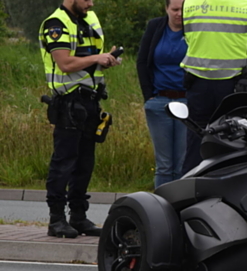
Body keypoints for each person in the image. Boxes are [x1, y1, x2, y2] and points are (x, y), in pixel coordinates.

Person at [39, 0, 121, 238]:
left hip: (90, 101)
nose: (91, 3)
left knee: (85, 163)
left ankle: (78, 217)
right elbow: (65, 63)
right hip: (68, 102)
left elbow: (89, 61)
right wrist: (97, 58)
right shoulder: (56, 23)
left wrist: (107, 60)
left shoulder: (88, 19)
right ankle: (56, 220)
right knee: (64, 162)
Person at [181, 0, 247, 174]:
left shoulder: (189, 4)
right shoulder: (245, 5)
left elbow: (187, 36)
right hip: (233, 83)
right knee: (233, 140)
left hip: (198, 82)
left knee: (196, 140)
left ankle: (190, 186)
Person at [137, 0, 188, 188]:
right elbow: (142, 61)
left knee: (183, 163)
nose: (179, 14)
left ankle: (182, 207)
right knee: (164, 165)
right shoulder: (155, 27)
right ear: (166, 9)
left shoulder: (194, 30)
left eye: (183, 10)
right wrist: (148, 95)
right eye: (174, 9)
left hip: (187, 101)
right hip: (159, 101)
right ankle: (162, 209)